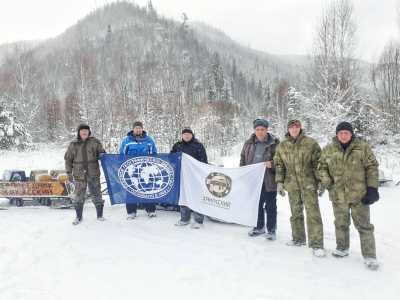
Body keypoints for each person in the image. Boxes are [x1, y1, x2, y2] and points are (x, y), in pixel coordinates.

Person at [319, 122, 380, 270]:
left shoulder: (362, 147)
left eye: (346, 133)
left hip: (360, 195)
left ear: (351, 134)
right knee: (340, 223)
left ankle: (370, 256)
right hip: (338, 195)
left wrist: (372, 188)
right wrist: (328, 184)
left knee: (364, 226)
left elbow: (372, 167)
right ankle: (342, 248)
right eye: (341, 133)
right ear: (337, 134)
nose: (344, 135)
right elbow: (321, 167)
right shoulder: (329, 149)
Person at [274, 120, 325, 257]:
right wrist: (279, 182)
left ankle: (317, 244)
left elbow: (318, 164)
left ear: (300, 128)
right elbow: (279, 165)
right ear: (288, 129)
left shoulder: (311, 143)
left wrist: (320, 181)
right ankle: (298, 239)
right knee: (295, 213)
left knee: (313, 214)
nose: (294, 129)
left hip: (308, 183)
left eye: (296, 127)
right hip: (292, 184)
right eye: (291, 127)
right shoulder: (282, 145)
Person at [240, 118, 279, 240]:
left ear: (267, 130)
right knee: (257, 204)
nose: (260, 132)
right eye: (257, 129)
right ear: (254, 130)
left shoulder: (275, 143)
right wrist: (242, 172)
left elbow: (282, 161)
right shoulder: (248, 143)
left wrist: (272, 163)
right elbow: (243, 159)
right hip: (254, 180)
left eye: (262, 129)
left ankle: (271, 230)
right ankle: (259, 227)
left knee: (270, 206)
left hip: (269, 180)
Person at [64, 124, 106, 225]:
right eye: (82, 131)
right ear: (79, 132)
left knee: (96, 194)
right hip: (79, 175)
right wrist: (69, 172)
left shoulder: (95, 142)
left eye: (86, 131)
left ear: (89, 132)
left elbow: (102, 153)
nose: (84, 132)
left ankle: (100, 215)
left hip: (93, 173)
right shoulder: (73, 144)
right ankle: (78, 217)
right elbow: (68, 160)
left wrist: (102, 154)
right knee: (78, 196)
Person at [119, 121, 158, 219]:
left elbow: (154, 153)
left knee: (147, 188)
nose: (138, 129)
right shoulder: (126, 141)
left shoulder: (149, 140)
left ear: (142, 129)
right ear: (133, 129)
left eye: (139, 128)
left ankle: (150, 209)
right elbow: (121, 154)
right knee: (131, 189)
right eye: (136, 128)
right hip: (131, 170)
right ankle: (131, 211)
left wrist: (152, 164)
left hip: (146, 169)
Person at [171, 127, 208, 229]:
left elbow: (204, 161)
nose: (186, 136)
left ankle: (199, 220)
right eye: (184, 134)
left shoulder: (198, 145)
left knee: (197, 197)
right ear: (182, 135)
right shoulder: (177, 145)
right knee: (184, 197)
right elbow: (171, 158)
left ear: (192, 135)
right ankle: (184, 218)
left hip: (195, 177)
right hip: (182, 176)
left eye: (188, 134)